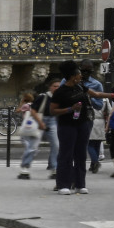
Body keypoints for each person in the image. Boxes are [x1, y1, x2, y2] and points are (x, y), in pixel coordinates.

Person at [45, 60, 92, 194]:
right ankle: (63, 184)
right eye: (78, 73)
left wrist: (113, 95)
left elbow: (96, 94)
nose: (81, 75)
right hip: (67, 125)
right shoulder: (60, 92)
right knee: (66, 155)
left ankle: (80, 184)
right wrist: (70, 109)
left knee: (81, 154)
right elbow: (53, 111)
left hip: (82, 124)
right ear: (72, 75)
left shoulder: (80, 87)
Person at [16, 97, 44, 180]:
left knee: (29, 146)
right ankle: (26, 161)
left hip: (28, 127)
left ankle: (25, 162)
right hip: (32, 127)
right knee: (32, 147)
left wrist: (21, 103)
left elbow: (17, 111)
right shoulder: (32, 105)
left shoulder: (25, 105)